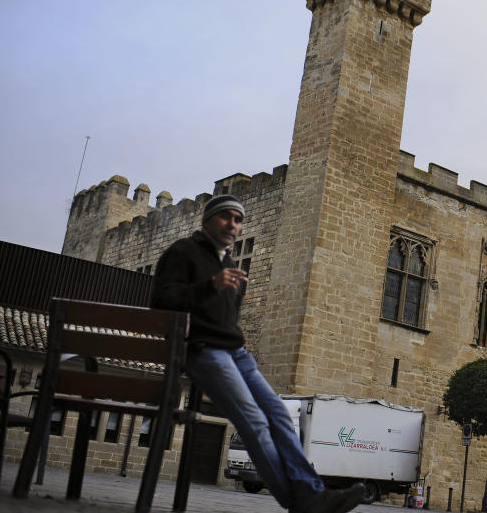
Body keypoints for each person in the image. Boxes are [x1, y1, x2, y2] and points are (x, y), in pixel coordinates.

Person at [152, 194, 364, 513]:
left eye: (238, 220)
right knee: (254, 420)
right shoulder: (183, 252)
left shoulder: (226, 261)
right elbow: (161, 301)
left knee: (279, 414)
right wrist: (210, 285)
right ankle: (306, 502)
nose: (233, 225)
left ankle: (310, 494)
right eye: (225, 217)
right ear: (207, 219)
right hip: (205, 352)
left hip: (236, 353)